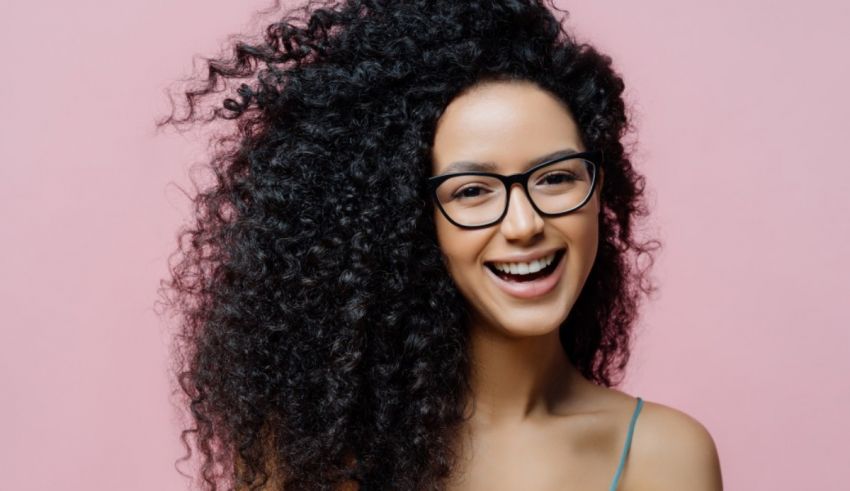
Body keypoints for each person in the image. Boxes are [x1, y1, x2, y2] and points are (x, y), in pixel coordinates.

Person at [157, 0, 723, 489]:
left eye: (555, 178)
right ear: (406, 220)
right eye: (473, 190)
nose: (525, 224)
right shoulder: (320, 453)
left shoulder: (665, 457)